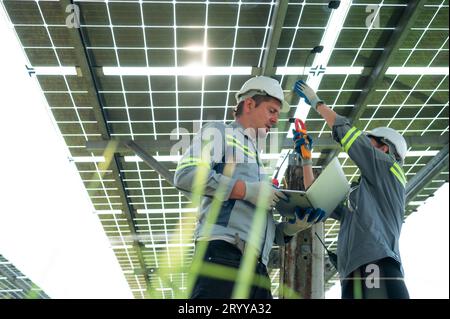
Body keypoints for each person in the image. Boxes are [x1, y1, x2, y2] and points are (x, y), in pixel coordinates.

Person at [174, 76, 325, 299]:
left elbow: (258, 228)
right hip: (224, 255)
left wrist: (290, 229)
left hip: (257, 270)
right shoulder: (219, 132)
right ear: (249, 104)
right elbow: (185, 175)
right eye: (271, 110)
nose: (275, 120)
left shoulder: (257, 164)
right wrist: (247, 190)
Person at [293, 80, 410, 299]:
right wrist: (306, 161)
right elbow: (318, 200)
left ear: (385, 148)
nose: (366, 145)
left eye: (370, 141)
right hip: (351, 274)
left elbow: (350, 137)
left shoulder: (388, 167)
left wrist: (317, 103)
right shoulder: (362, 197)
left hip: (375, 265)